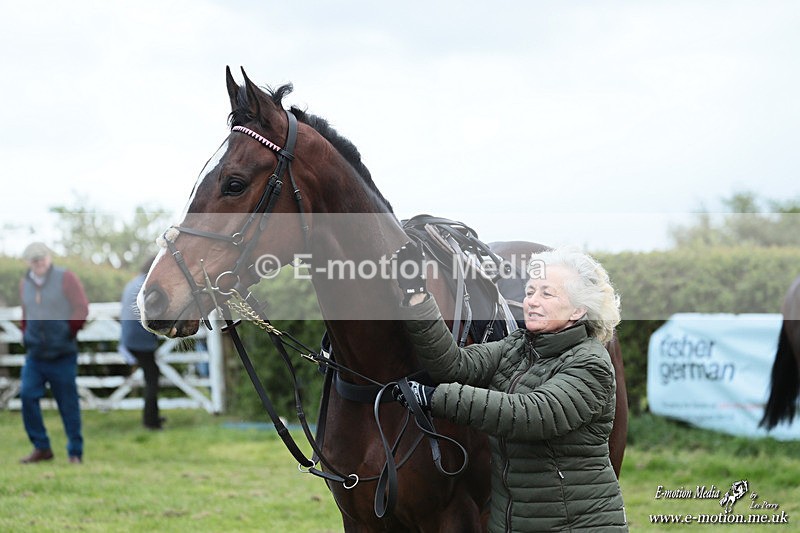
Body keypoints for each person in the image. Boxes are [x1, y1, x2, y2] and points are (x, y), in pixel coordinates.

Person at [392, 244, 627, 532]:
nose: (532, 302)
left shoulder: (590, 363)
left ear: (578, 310)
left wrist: (434, 397)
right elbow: (454, 365)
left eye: (547, 294)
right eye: (530, 292)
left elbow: (529, 414)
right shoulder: (518, 346)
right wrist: (417, 296)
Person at [18, 242, 89, 464]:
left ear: (48, 258)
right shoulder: (25, 284)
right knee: (27, 396)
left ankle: (75, 451)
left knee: (68, 404)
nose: (39, 263)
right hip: (35, 355)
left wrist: (68, 331)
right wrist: (25, 333)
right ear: (28, 262)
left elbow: (81, 308)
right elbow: (26, 312)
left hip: (62, 354)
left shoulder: (66, 278)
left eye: (42, 258)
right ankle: (41, 447)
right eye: (34, 260)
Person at [120, 256, 163, 430]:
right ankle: (150, 420)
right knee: (152, 378)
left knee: (151, 375)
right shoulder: (147, 285)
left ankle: (153, 416)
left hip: (128, 338)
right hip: (141, 339)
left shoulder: (132, 283)